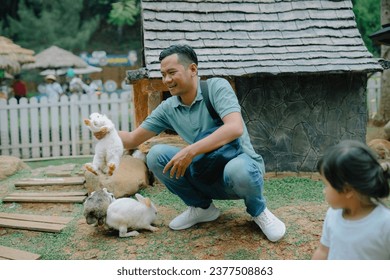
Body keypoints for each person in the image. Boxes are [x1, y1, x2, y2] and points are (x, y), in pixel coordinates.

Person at [95, 44, 286, 242]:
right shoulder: (169, 107)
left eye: (171, 72)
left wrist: (190, 151)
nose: (167, 80)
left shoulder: (216, 88)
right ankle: (202, 208)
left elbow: (234, 127)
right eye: (163, 74)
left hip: (240, 171)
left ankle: (259, 211)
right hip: (206, 170)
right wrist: (107, 134)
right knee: (156, 155)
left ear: (193, 69)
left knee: (239, 169)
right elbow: (134, 138)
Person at [312, 140, 390, 260]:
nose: (324, 191)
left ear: (347, 190)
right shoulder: (332, 214)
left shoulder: (385, 224)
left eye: (327, 185)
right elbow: (323, 251)